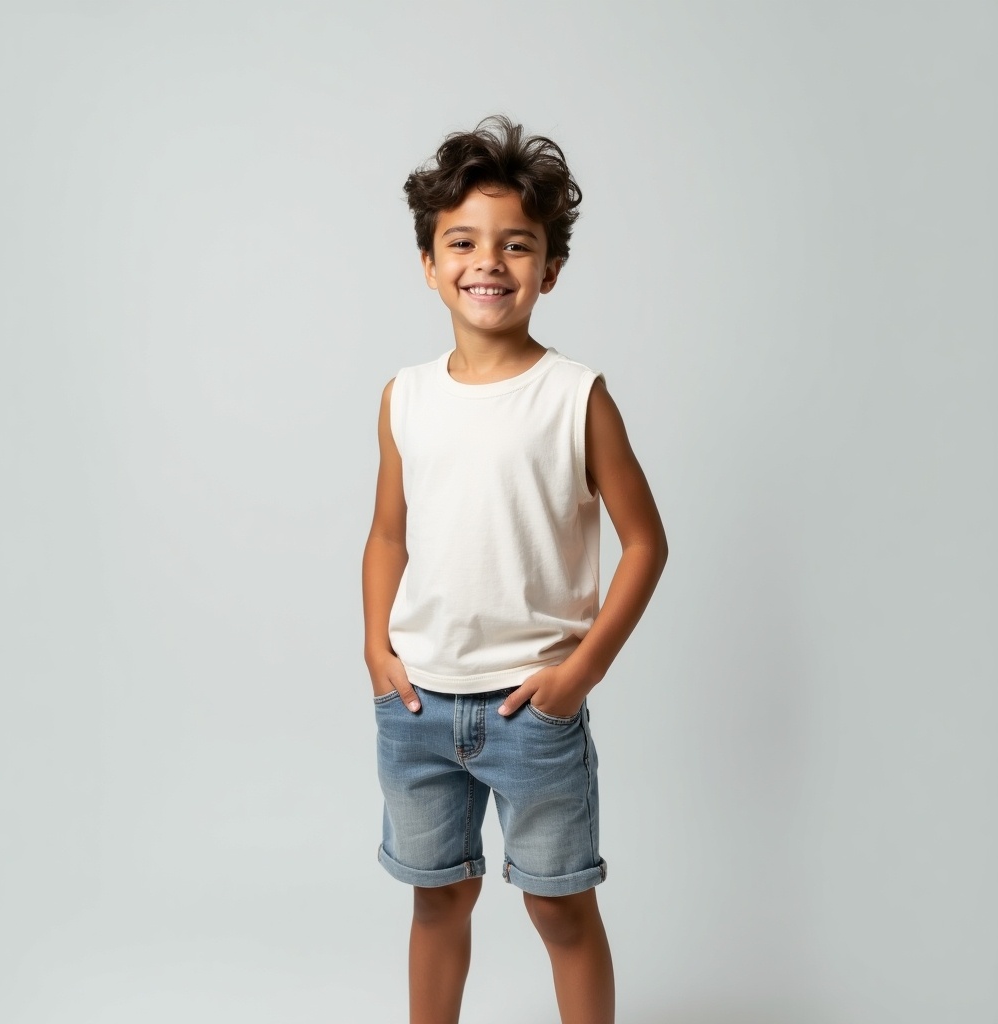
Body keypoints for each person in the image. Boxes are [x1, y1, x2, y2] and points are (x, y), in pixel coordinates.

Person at [362, 114, 668, 1024]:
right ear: (428, 261)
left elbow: (646, 540)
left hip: (532, 712)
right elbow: (387, 534)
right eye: (462, 241)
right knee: (437, 899)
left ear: (550, 267)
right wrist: (376, 651)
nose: (487, 262)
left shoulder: (576, 396)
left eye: (516, 244)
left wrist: (582, 672)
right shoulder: (405, 397)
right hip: (416, 706)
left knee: (560, 907)